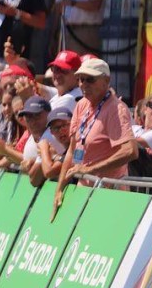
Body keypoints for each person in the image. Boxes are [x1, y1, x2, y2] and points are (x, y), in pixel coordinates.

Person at [53, 58, 137, 218]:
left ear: (106, 80)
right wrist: (59, 189)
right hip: (83, 191)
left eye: (90, 79)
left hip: (109, 197)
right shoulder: (81, 105)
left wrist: (89, 169)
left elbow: (130, 151)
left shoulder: (116, 109)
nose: (83, 84)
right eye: (81, 80)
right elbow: (72, 151)